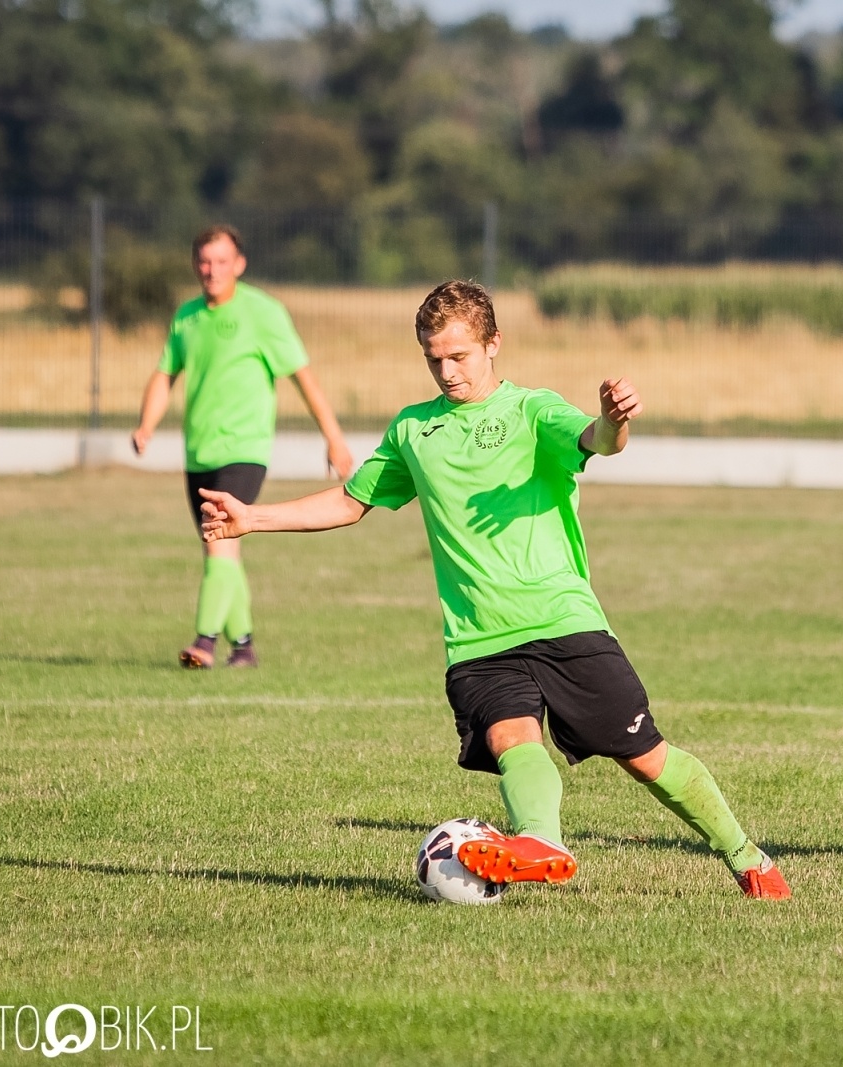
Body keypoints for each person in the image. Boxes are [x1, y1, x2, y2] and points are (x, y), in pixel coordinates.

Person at [196, 280, 791, 899]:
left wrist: (615, 421)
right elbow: (352, 501)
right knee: (513, 740)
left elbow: (597, 440)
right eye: (433, 358)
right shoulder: (413, 430)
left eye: (459, 356)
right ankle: (541, 843)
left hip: (563, 620)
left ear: (493, 345)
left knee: (646, 758)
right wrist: (251, 517)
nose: (446, 371)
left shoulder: (533, 411)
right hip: (476, 635)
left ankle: (748, 857)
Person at [132, 225, 353, 669]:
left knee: (218, 541)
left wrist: (333, 437)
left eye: (220, 261)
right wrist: (146, 424)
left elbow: (303, 378)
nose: (211, 270)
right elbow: (165, 373)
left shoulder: (264, 313)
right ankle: (245, 647)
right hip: (199, 452)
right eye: (204, 261)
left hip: (244, 451)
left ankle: (204, 642)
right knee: (223, 547)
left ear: (240, 264)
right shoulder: (187, 317)